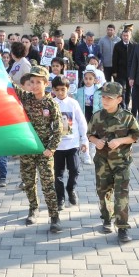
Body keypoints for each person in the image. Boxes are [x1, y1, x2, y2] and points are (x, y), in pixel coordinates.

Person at [87, 82, 139, 243]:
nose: (105, 100)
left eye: (109, 98)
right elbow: (89, 134)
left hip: (121, 163)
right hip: (102, 162)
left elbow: (135, 135)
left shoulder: (127, 117)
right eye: (103, 97)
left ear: (119, 99)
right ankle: (106, 219)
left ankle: (122, 228)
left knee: (121, 195)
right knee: (103, 192)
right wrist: (96, 141)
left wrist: (120, 141)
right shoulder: (97, 116)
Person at [12, 65, 63, 233]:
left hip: (44, 152)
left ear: (46, 83)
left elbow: (59, 129)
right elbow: (9, 85)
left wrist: (51, 149)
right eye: (31, 82)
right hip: (27, 149)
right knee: (28, 182)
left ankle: (54, 216)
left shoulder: (51, 104)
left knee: (48, 183)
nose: (34, 85)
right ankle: (33, 208)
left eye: (38, 82)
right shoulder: (26, 98)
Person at [52, 76, 88, 210]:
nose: (60, 92)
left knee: (75, 170)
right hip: (57, 146)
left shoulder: (73, 103)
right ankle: (60, 198)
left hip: (72, 144)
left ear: (67, 88)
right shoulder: (51, 103)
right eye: (57, 90)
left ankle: (71, 189)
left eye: (63, 89)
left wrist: (84, 139)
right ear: (53, 90)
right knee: (58, 174)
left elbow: (82, 121)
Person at [75, 69, 103, 164]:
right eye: (86, 78)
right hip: (83, 114)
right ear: (83, 79)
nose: (88, 80)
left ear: (95, 80)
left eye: (90, 78)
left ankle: (93, 151)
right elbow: (75, 102)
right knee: (84, 134)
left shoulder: (99, 91)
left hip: (94, 114)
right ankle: (86, 153)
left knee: (94, 133)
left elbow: (101, 104)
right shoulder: (79, 91)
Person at [112, 29, 134, 110]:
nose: (125, 37)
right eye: (124, 36)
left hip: (131, 73)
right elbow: (114, 59)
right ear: (121, 36)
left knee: (128, 90)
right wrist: (114, 71)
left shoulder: (134, 45)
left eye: (127, 35)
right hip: (120, 72)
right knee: (122, 90)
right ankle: (122, 106)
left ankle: (127, 105)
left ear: (130, 36)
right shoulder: (117, 45)